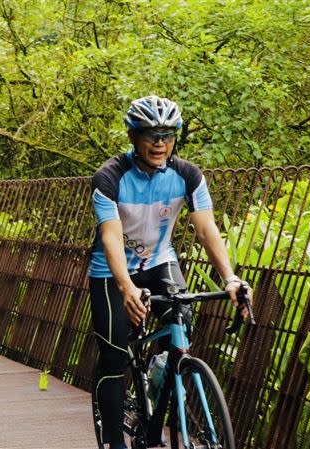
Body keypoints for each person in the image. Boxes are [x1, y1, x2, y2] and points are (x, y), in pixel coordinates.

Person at [88, 95, 253, 449]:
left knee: (181, 330)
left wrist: (230, 278)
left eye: (167, 134)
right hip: (111, 272)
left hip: (161, 262)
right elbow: (111, 236)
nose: (159, 142)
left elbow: (207, 229)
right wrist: (126, 286)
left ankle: (158, 385)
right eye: (150, 134)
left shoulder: (187, 175)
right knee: (115, 357)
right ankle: (115, 440)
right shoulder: (110, 177)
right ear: (133, 136)